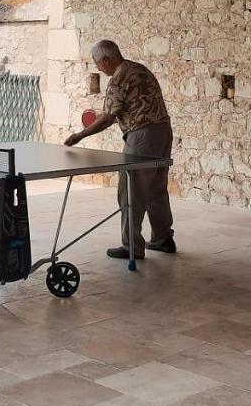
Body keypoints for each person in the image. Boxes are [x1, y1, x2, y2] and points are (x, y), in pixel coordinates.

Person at [64, 40, 176, 259]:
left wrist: (80, 135)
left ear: (107, 60)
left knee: (130, 191)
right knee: (156, 188)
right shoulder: (139, 69)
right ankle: (163, 239)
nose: (97, 68)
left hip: (142, 137)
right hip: (163, 132)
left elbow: (107, 118)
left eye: (97, 63)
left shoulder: (118, 79)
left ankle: (131, 246)